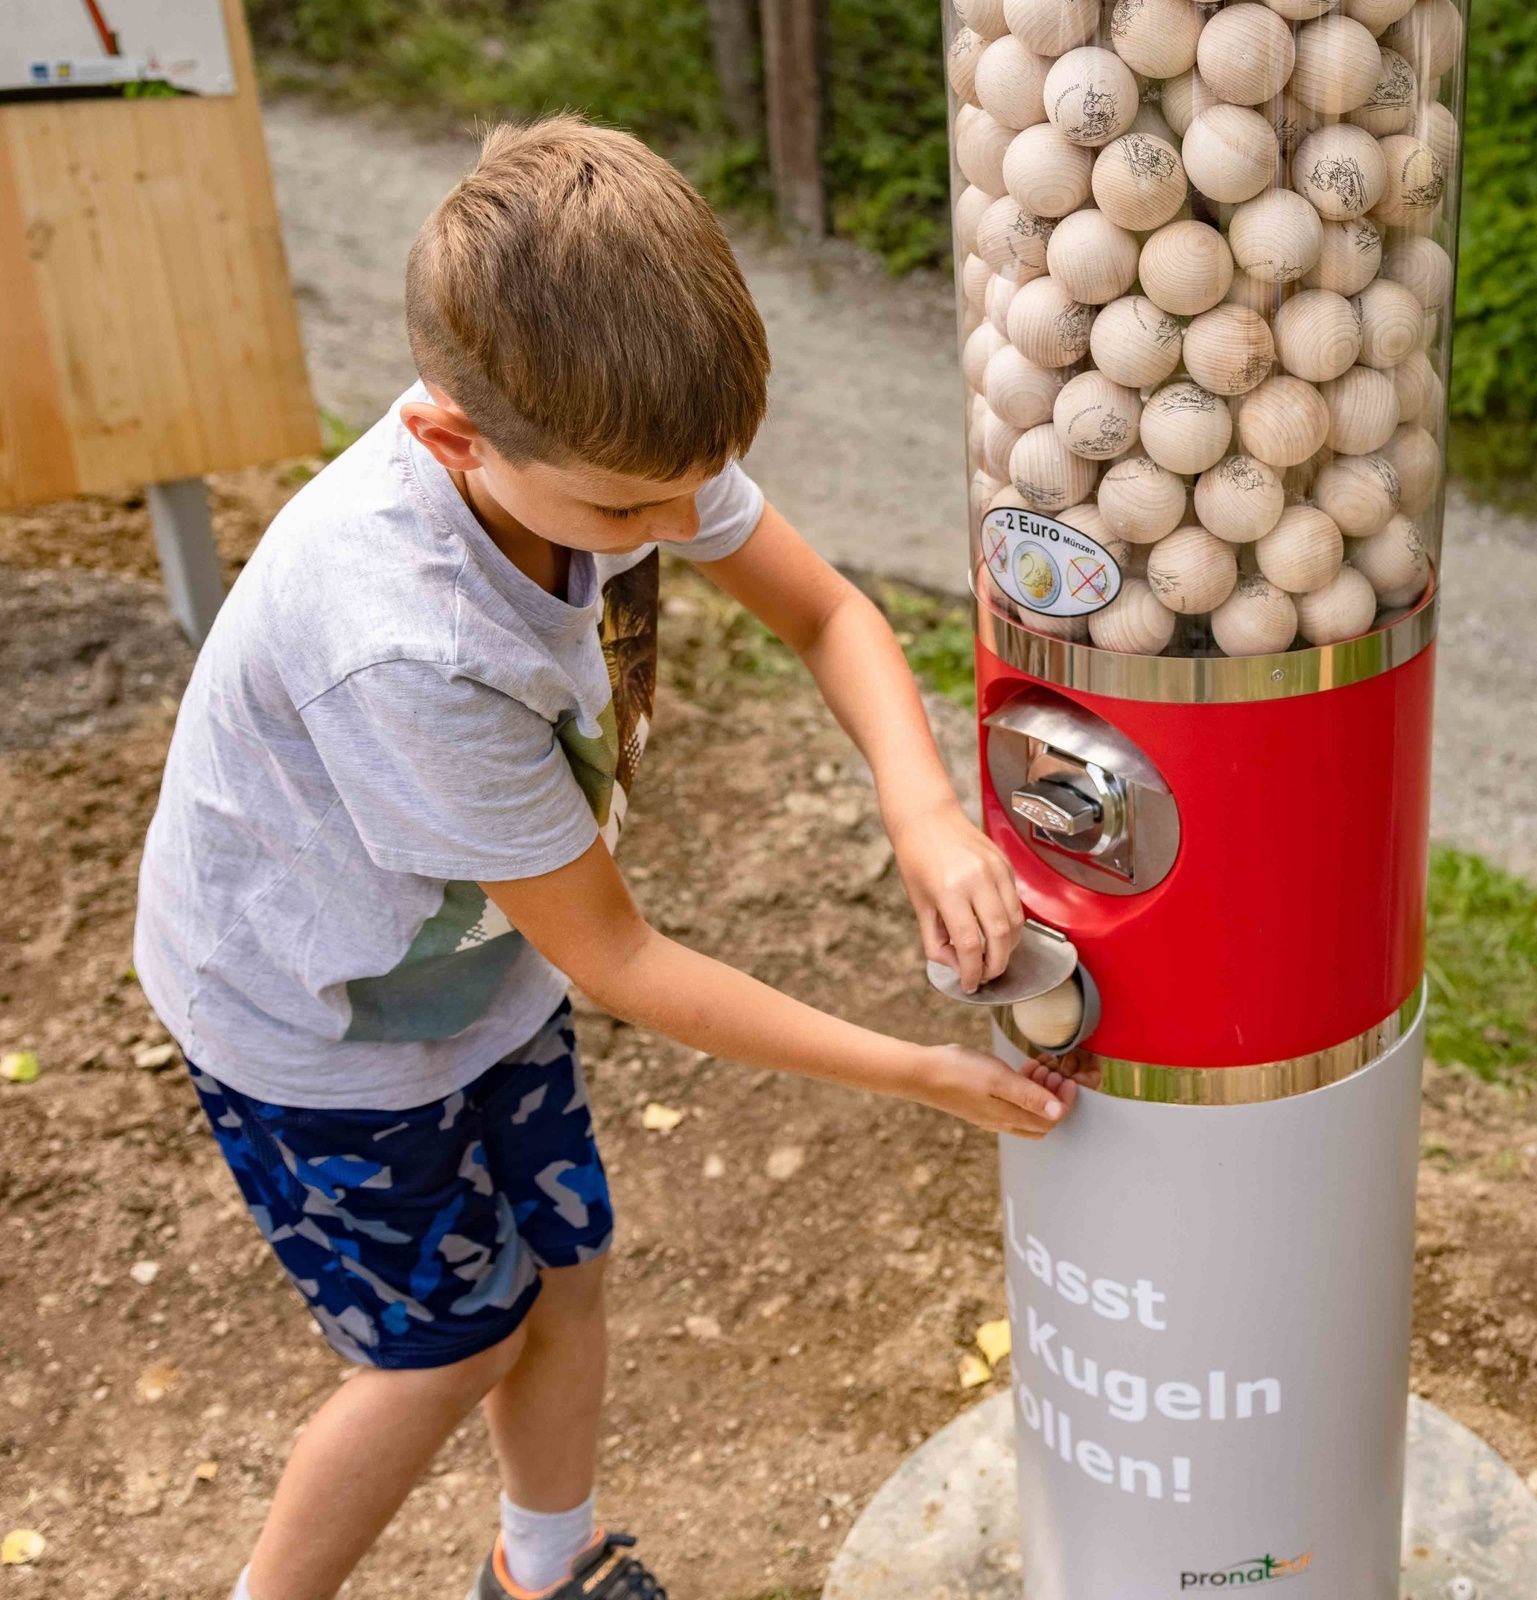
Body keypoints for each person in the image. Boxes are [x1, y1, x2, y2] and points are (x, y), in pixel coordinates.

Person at [133, 114, 1076, 1600]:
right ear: (450, 434)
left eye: (692, 493)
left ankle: (546, 1571)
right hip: (318, 1025)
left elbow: (829, 614)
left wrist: (924, 810)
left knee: (566, 1269)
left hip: (471, 973)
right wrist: (921, 1074)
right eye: (629, 511)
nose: (666, 531)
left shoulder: (609, 441)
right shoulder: (410, 643)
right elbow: (623, 959)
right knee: (452, 1348)